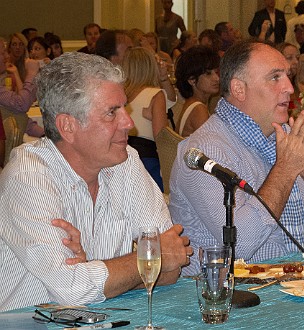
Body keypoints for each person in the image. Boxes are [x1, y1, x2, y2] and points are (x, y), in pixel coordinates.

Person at [0, 52, 192, 312]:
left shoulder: (126, 162)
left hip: (102, 319)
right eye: (112, 113)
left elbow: (172, 268)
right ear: (67, 126)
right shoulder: (29, 176)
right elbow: (73, 289)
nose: (129, 123)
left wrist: (93, 269)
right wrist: (145, 260)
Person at [169, 40, 304, 275]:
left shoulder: (284, 135)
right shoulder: (205, 151)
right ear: (239, 89)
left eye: (288, 76)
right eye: (275, 78)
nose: (290, 88)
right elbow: (238, 246)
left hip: (297, 283)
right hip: (230, 296)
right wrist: (286, 169)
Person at [123, 47, 176, 191]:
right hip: (146, 160)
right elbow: (162, 137)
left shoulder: (121, 94)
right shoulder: (156, 94)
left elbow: (172, 100)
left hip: (123, 157)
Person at [175, 46, 220, 137]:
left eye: (216, 72)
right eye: (208, 74)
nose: (217, 78)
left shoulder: (191, 103)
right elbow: (210, 147)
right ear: (192, 80)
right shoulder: (198, 109)